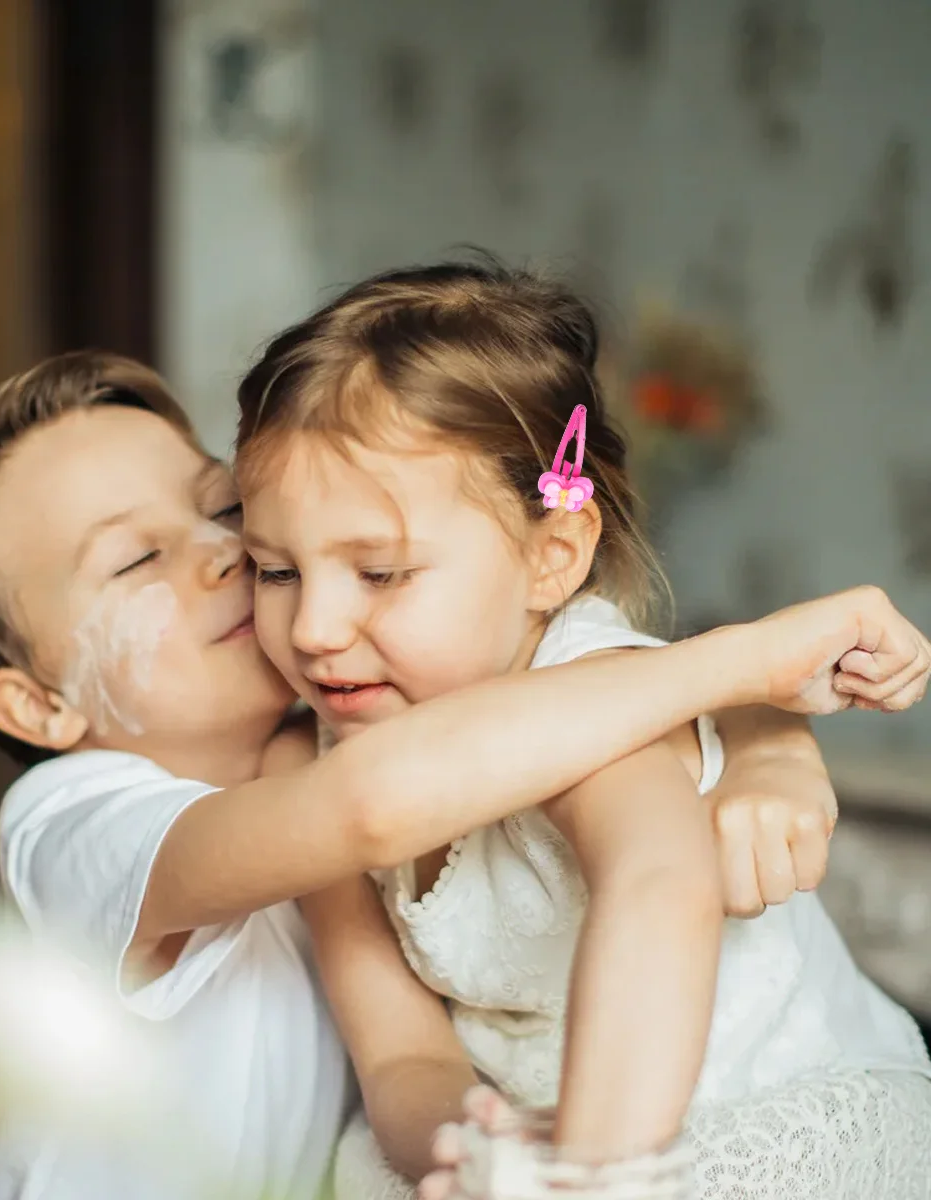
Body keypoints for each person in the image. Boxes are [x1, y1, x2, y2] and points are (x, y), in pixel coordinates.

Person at [0, 350, 927, 1200]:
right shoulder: (71, 825)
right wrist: (746, 665)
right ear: (41, 707)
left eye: (223, 510)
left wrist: (765, 746)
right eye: (135, 561)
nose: (221, 555)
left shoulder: (332, 722)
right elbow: (374, 806)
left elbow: (559, 709)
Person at [231, 259, 931, 1200]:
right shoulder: (317, 749)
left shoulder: (594, 701)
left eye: (381, 573)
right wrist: (472, 1146)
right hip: (538, 1130)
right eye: (275, 571)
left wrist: (598, 1172)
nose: (311, 630)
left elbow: (660, 882)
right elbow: (399, 1057)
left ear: (553, 558)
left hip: (743, 1114)